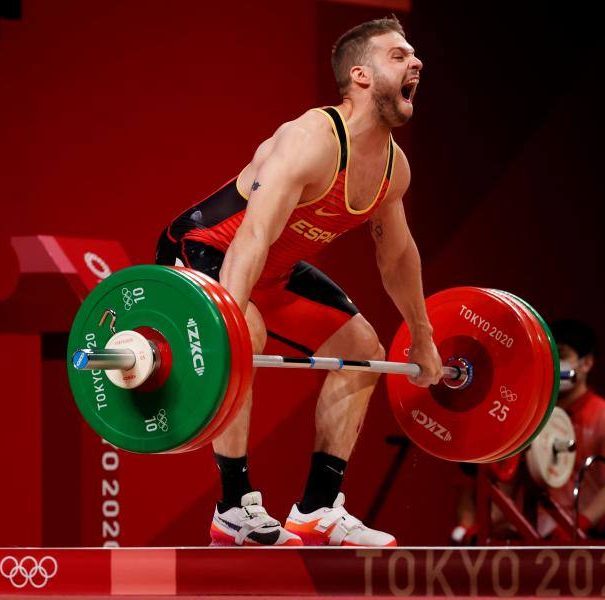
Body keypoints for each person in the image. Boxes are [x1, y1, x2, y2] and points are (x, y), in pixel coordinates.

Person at [155, 16, 443, 547]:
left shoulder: (393, 169)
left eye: (414, 55)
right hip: (206, 247)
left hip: (275, 270)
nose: (416, 63)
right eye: (399, 55)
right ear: (360, 74)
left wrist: (421, 335)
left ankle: (316, 511)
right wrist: (225, 330)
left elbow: (398, 257)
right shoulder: (309, 139)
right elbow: (253, 236)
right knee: (248, 331)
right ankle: (233, 508)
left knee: (362, 350)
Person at [539, 319, 605, 540]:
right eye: (550, 354)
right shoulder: (535, 415)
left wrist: (580, 523)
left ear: (586, 363)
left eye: (562, 354)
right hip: (535, 535)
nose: (555, 361)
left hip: (587, 538)